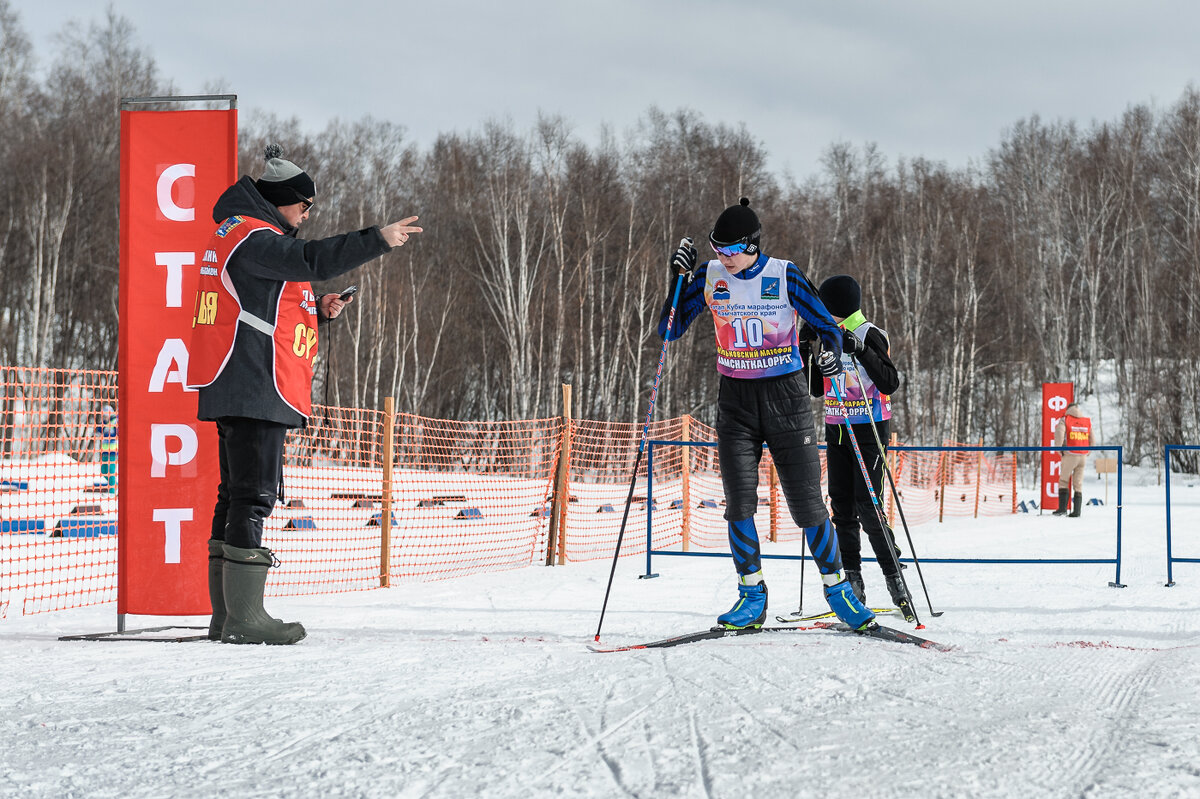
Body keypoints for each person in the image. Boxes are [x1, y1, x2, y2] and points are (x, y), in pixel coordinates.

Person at [187, 145, 422, 644]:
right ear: (280, 201)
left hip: (241, 377)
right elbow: (310, 259)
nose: (307, 214)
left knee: (235, 496)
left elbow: (261, 303)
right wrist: (378, 238)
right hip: (255, 381)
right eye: (305, 205)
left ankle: (228, 617)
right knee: (253, 497)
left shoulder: (239, 232)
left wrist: (318, 310)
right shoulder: (254, 235)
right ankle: (245, 618)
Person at [658, 198, 874, 631]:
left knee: (808, 505)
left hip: (786, 400)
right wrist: (677, 282)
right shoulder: (711, 276)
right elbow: (668, 329)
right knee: (738, 503)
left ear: (751, 245)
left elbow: (829, 329)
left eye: (729, 250)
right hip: (735, 401)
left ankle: (839, 591)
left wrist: (830, 356)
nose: (722, 257)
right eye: (716, 249)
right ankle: (751, 595)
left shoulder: (783, 273)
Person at [806, 275, 909, 613]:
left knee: (868, 506)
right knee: (841, 508)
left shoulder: (870, 333)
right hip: (836, 427)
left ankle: (895, 578)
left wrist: (860, 350)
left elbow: (889, 381)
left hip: (868, 427)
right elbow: (816, 390)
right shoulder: (826, 334)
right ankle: (852, 582)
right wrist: (809, 349)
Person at [1053, 403, 1091, 517]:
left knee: (1064, 480)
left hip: (1070, 454)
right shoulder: (1086, 421)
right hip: (1083, 456)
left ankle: (1062, 508)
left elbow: (1060, 433)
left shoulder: (1065, 419)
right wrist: (1089, 450)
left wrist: (1058, 448)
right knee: (1078, 483)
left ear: (1068, 410)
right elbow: (1092, 437)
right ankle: (1077, 511)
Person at [97, 405, 118, 494]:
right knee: (104, 471)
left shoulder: (115, 422)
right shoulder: (105, 423)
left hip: (113, 451)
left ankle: (112, 491)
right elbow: (99, 430)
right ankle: (115, 484)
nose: (104, 417)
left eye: (105, 415)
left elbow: (116, 434)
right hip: (105, 451)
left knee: (111, 471)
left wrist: (108, 435)